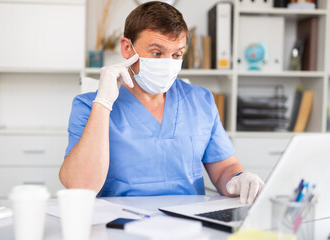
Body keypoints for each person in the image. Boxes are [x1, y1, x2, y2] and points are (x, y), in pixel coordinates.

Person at [59, 1, 264, 204]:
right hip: (119, 227)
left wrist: (239, 179)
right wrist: (102, 104)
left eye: (177, 54)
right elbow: (80, 186)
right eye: (157, 53)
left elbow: (224, 170)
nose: (167, 63)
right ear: (127, 48)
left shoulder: (200, 100)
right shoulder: (88, 106)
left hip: (188, 225)